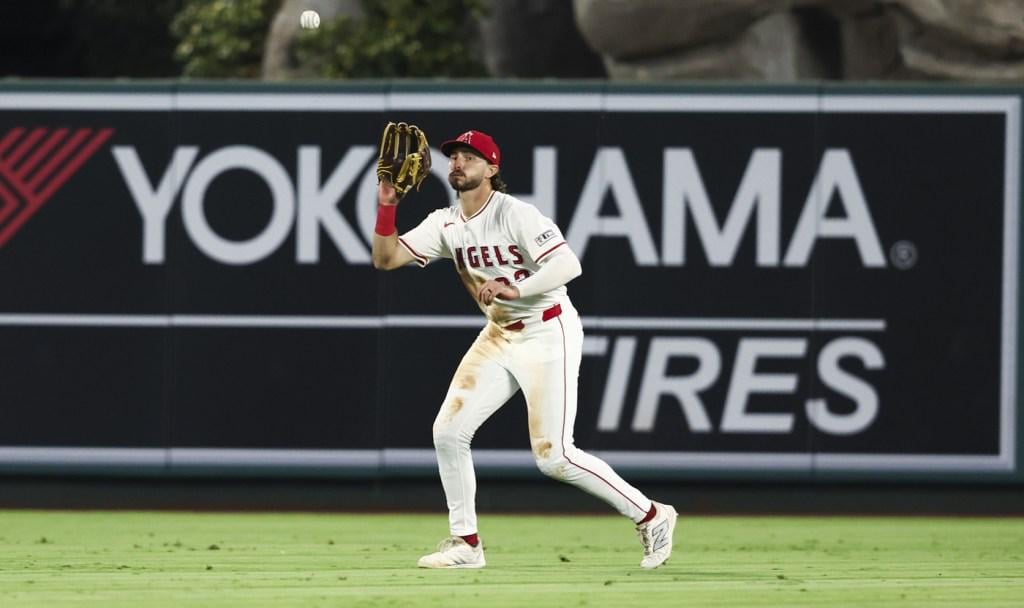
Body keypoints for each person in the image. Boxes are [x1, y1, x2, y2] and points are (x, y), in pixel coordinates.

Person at [371, 129, 677, 569]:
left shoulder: (516, 214)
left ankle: (652, 515)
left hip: (548, 332)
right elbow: (386, 259)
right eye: (454, 157)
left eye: (470, 157)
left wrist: (517, 287)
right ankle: (466, 544)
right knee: (448, 432)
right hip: (499, 336)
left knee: (555, 457)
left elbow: (569, 263)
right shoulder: (445, 223)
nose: (458, 163)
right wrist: (387, 205)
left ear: (492, 169)